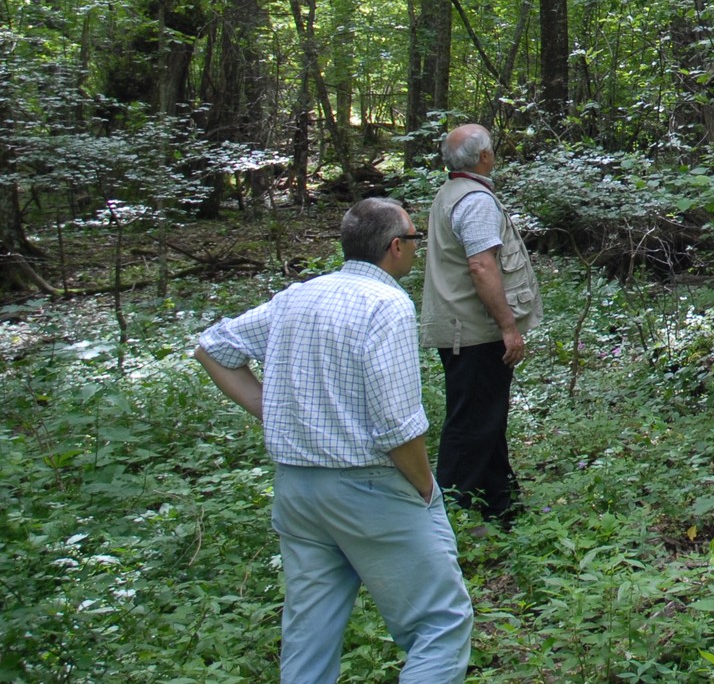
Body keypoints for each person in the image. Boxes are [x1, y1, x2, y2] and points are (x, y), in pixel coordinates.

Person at [194, 197, 472, 684]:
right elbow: (397, 425)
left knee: (310, 635)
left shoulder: (298, 296)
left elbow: (213, 348)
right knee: (440, 625)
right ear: (394, 248)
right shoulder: (386, 304)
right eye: (413, 238)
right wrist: (426, 489)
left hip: (299, 493)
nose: (415, 248)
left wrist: (274, 411)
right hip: (370, 491)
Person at [420, 123, 541, 525]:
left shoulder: (451, 192)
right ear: (484, 157)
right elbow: (481, 264)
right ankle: (446, 519)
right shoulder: (474, 201)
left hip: (461, 330)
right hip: (472, 332)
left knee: (485, 417)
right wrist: (508, 327)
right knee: (470, 426)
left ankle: (503, 509)